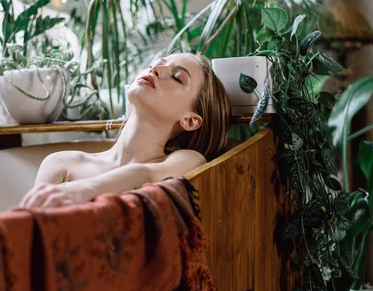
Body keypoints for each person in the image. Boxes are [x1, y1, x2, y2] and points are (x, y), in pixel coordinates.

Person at [19, 53, 232, 209]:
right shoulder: (60, 163)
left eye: (177, 77)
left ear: (190, 120)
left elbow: (147, 175)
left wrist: (83, 190)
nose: (156, 69)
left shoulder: (189, 159)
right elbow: (30, 233)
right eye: (155, 63)